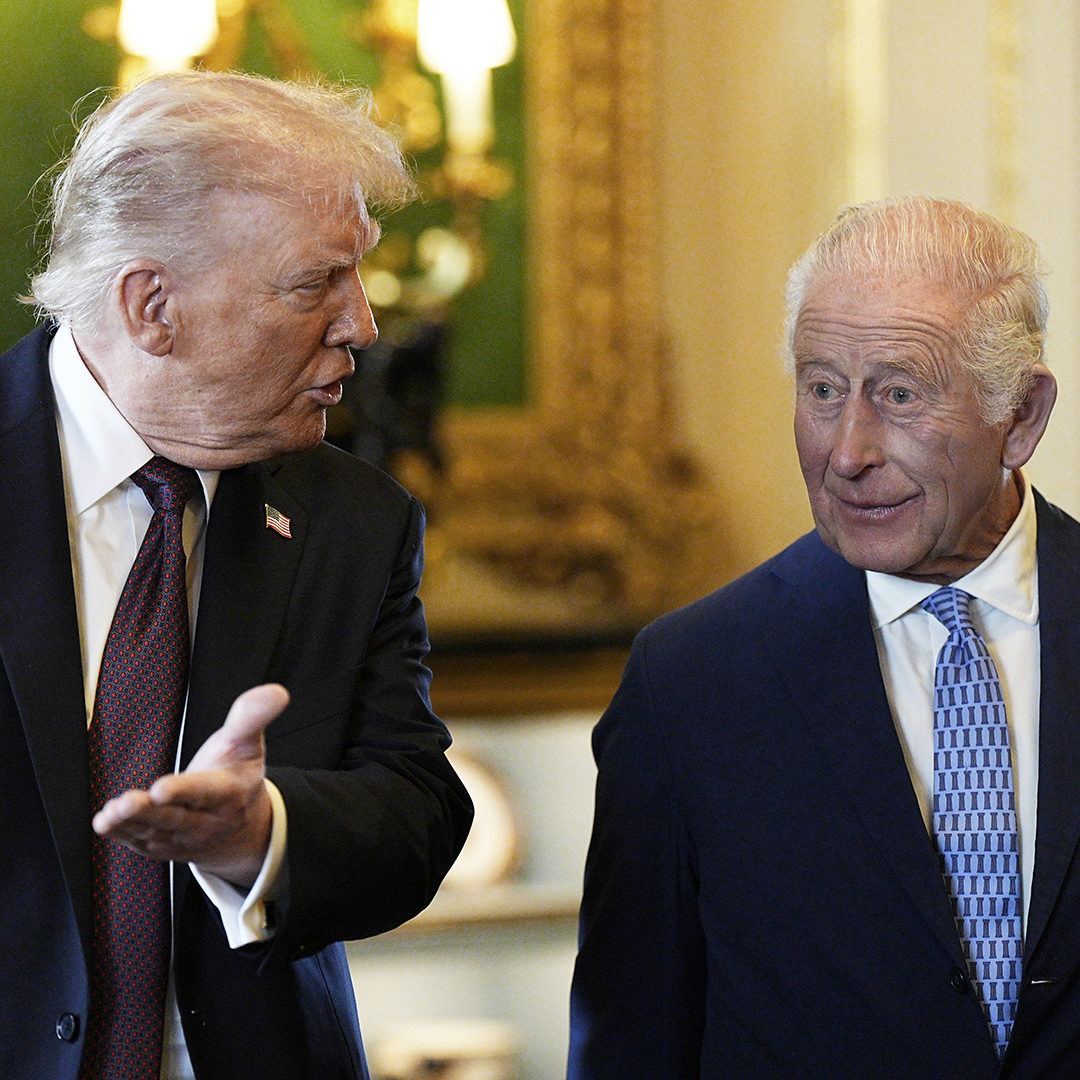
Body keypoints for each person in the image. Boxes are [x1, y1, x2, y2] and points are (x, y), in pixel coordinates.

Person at [0, 71, 472, 1080]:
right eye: (315, 284)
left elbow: (417, 811)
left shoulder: (357, 520)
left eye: (360, 276)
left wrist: (262, 836)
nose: (361, 326)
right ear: (152, 306)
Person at [567, 196, 1080, 1078]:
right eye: (823, 390)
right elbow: (633, 1042)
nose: (847, 451)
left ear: (1022, 417)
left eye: (899, 394)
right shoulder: (691, 683)